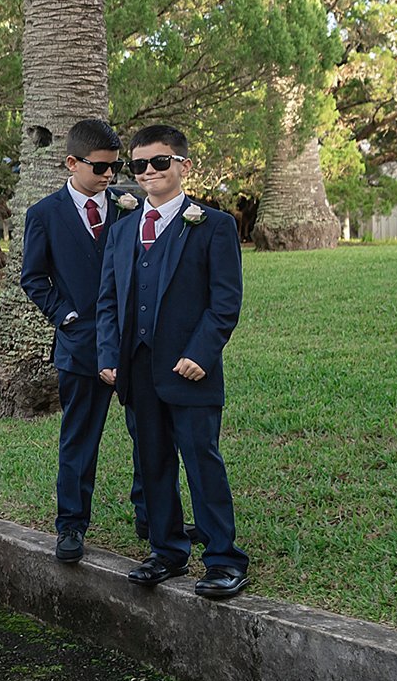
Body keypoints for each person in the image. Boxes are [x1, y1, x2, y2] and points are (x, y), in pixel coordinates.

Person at [97, 124, 248, 600]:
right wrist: (108, 356)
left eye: (159, 162)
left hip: (190, 368)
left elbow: (224, 303)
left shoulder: (214, 226)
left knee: (202, 461)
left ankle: (224, 559)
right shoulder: (122, 233)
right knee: (152, 461)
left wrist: (201, 353)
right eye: (138, 165)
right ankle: (166, 550)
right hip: (137, 369)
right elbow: (108, 302)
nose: (147, 172)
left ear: (183, 166)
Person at [18, 119, 165, 562]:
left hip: (135, 343)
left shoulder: (131, 205)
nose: (110, 177)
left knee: (149, 434)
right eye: (101, 168)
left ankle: (152, 516)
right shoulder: (43, 214)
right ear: (72, 162)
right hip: (80, 344)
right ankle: (71, 526)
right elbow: (34, 278)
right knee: (80, 438)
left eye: (116, 168)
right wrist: (67, 317)